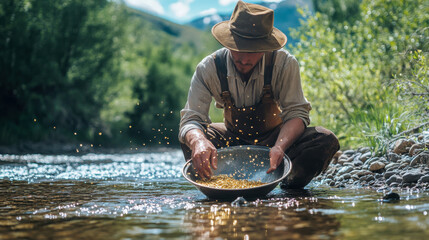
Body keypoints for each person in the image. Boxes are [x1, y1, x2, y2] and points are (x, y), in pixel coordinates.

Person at [179, 0, 339, 189]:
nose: (244, 59)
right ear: (228, 42)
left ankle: (288, 184)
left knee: (324, 139)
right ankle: (218, 187)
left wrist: (280, 147)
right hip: (231, 142)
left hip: (276, 140)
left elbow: (297, 114)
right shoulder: (208, 68)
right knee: (192, 138)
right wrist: (198, 141)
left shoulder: (285, 64)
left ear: (266, 47)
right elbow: (191, 119)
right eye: (238, 48)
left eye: (253, 51)